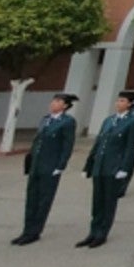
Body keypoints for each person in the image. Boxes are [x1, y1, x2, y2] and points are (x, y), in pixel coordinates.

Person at [78, 90, 134, 249]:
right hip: (100, 165)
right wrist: (89, 165)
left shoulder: (132, 121)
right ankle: (93, 231)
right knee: (97, 200)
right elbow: (98, 143)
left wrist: (124, 168)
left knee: (108, 201)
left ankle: (102, 233)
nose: (118, 103)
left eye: (122, 101)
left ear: (129, 104)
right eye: (118, 100)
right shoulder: (109, 120)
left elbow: (130, 147)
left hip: (114, 166)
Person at [13, 92, 78, 245]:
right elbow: (37, 142)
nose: (53, 104)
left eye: (57, 101)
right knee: (31, 198)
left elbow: (67, 146)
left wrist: (60, 165)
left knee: (44, 200)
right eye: (53, 101)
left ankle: (35, 231)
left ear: (65, 106)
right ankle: (26, 230)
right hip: (36, 164)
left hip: (50, 165)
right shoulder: (45, 119)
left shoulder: (67, 122)